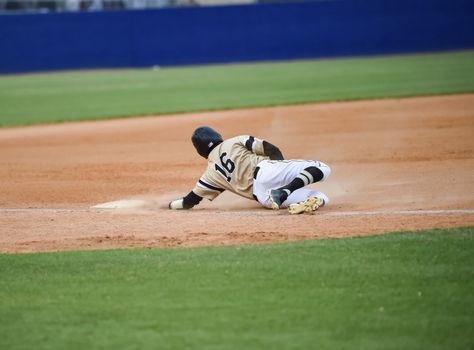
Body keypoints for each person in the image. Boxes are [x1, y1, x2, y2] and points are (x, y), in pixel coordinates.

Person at [168, 126, 331, 214]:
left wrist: (168, 206)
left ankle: (289, 196)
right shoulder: (234, 141)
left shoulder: (209, 175)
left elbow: (188, 202)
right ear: (217, 136)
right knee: (322, 168)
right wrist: (281, 172)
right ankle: (284, 191)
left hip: (263, 197)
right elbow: (271, 149)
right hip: (265, 171)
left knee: (318, 196)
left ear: (200, 151)